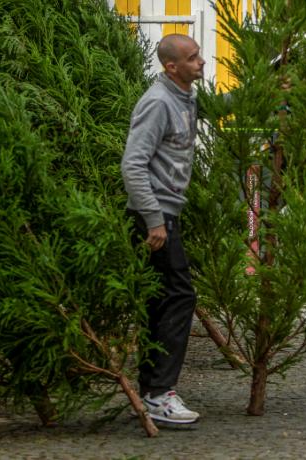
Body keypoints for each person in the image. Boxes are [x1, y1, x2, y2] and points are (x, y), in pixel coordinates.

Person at [121, 33, 206, 425]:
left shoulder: (184, 97)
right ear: (171, 67)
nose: (201, 61)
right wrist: (153, 220)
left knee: (161, 302)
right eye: (192, 58)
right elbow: (133, 165)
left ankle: (153, 388)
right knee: (179, 297)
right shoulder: (157, 102)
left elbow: (213, 107)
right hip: (154, 217)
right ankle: (159, 393)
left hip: (167, 214)